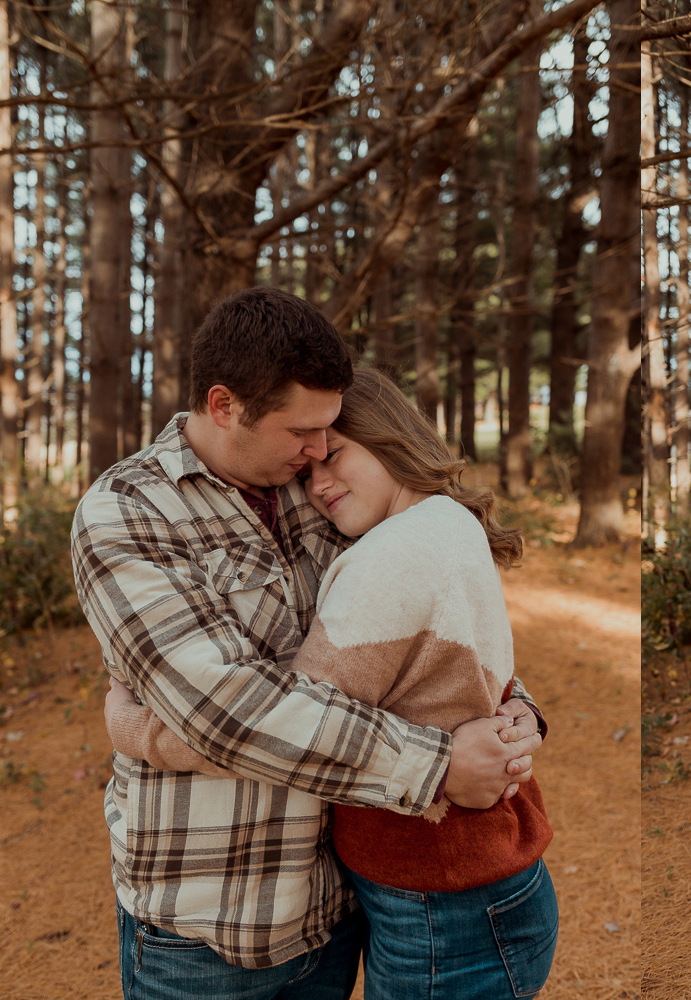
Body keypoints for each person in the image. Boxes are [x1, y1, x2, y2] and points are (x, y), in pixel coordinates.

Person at [71, 287, 544, 1000]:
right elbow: (228, 712)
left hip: (337, 910)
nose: (319, 451)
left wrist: (514, 710)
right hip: (212, 929)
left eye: (330, 434)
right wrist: (440, 763)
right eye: (302, 432)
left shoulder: (315, 487)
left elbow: (413, 627)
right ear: (226, 406)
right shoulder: (126, 513)